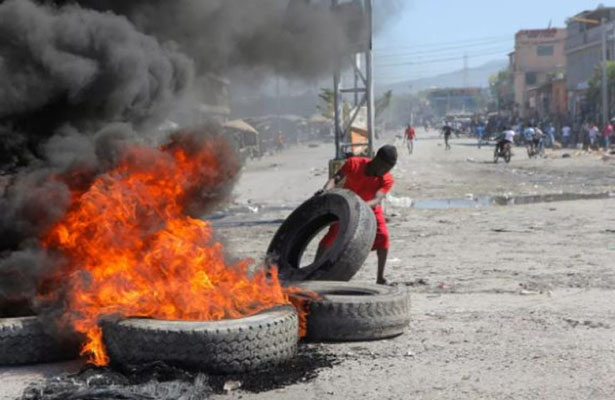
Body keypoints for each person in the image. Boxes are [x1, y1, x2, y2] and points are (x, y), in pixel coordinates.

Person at [317, 145, 398, 285]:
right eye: (384, 168)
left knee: (383, 237)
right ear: (377, 160)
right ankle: (315, 269)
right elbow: (335, 179)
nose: (385, 172)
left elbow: (377, 199)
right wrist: (325, 191)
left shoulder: (387, 179)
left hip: (370, 208)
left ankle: (380, 277)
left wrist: (362, 206)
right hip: (346, 206)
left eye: (388, 170)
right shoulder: (354, 163)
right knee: (332, 236)